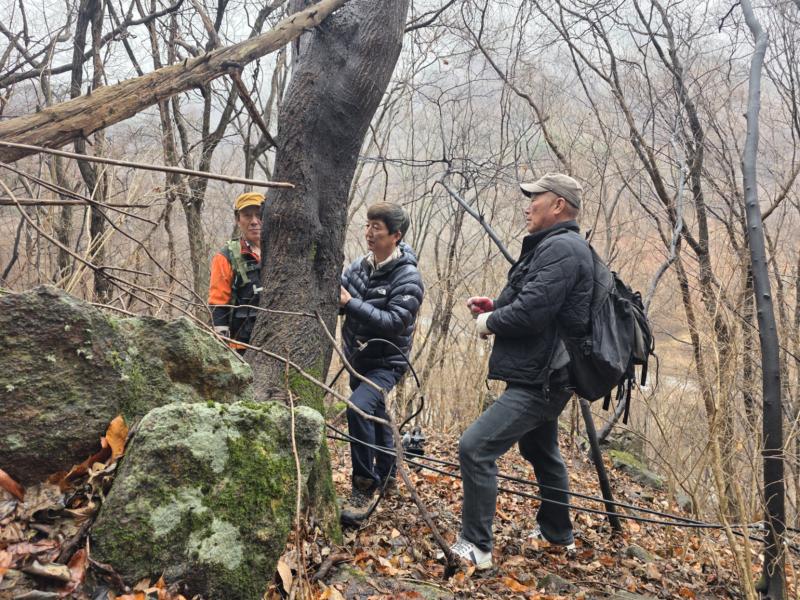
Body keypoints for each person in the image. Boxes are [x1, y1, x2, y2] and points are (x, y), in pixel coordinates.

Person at [449, 173, 594, 570]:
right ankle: (556, 533)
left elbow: (531, 313)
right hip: (543, 372)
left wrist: (488, 323)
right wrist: (494, 305)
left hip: (543, 379)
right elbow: (542, 304)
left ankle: (476, 546)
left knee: (475, 448)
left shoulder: (563, 249)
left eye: (535, 198)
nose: (527, 205)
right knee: (540, 450)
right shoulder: (556, 247)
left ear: (558, 205)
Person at [339, 202, 424, 522]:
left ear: (396, 235)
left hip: (387, 362)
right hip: (356, 358)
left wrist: (351, 303)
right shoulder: (360, 266)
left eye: (377, 227)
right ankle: (388, 475)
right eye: (368, 225)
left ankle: (363, 485)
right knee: (375, 416)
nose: (369, 233)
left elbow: (394, 322)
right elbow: (341, 297)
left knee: (359, 407)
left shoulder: (409, 277)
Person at [208, 192, 264, 352]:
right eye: (247, 216)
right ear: (238, 220)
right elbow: (218, 304)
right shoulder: (225, 257)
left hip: (276, 343)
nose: (254, 221)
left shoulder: (281, 253)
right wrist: (223, 349)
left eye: (259, 215)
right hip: (240, 347)